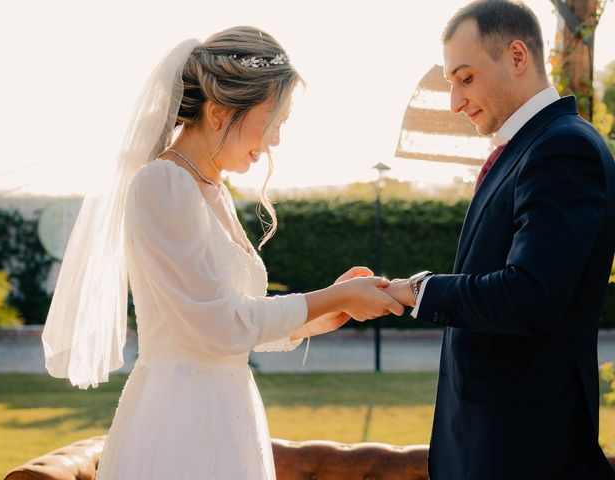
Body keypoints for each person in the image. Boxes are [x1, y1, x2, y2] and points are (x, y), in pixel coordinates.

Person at [42, 27, 404, 479]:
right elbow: (215, 327)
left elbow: (236, 319)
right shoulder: (162, 184)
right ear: (218, 112)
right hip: (179, 421)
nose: (274, 140)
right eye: (273, 121)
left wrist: (325, 311)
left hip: (228, 412)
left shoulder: (211, 190)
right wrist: (331, 299)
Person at [385, 1, 615, 479]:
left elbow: (529, 296)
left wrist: (419, 289)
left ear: (516, 56)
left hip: (526, 452)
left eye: (465, 78)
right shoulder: (531, 147)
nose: (454, 101)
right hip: (489, 444)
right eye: (451, 81)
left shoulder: (562, 148)